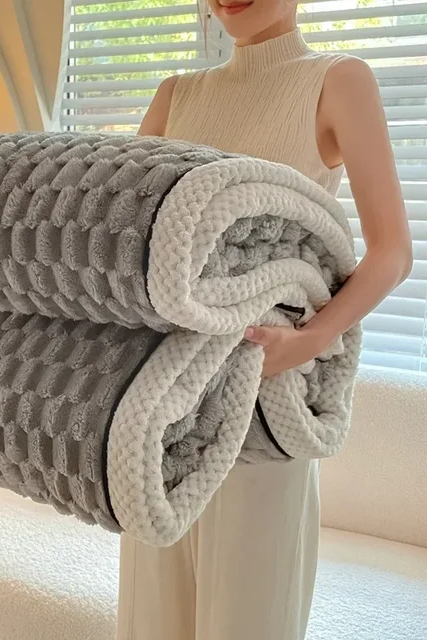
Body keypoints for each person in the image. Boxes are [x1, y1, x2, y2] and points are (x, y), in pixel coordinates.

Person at [116, 1, 413, 639]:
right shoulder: (176, 95)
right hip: (161, 400)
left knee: (249, 620)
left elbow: (392, 251)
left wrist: (311, 340)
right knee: (152, 619)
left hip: (263, 396)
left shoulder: (337, 81)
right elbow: (126, 238)